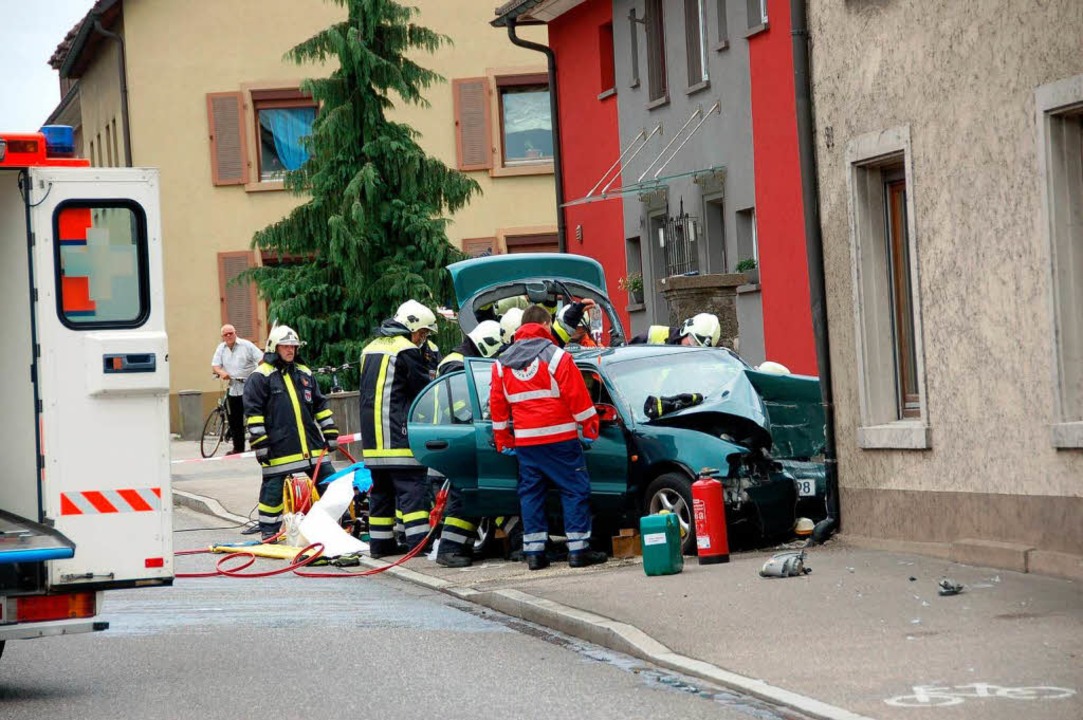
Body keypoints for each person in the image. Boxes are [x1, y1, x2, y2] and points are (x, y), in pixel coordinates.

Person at [489, 305, 608, 571]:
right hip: (561, 440)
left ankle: (535, 554)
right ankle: (578, 551)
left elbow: (497, 407)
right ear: (544, 325)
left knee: (531, 494)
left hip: (527, 444)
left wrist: (504, 440)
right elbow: (577, 397)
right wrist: (590, 427)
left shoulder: (502, 363)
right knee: (574, 489)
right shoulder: (557, 357)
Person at [242, 325, 339, 541]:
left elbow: (320, 406)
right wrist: (261, 444)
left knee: (330, 484)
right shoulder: (260, 377)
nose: (290, 350)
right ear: (273, 348)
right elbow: (254, 413)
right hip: (278, 448)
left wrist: (330, 432)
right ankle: (268, 531)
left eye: (293, 346)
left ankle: (337, 525)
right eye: (285, 346)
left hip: (312, 447)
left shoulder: (304, 373)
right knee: (272, 491)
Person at [358, 300, 438, 558]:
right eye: (422, 333)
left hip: (373, 443)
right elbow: (422, 390)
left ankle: (380, 545)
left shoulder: (369, 349)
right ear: (411, 326)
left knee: (381, 493)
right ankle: (417, 544)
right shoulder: (406, 350)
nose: (422, 340)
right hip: (398, 437)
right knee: (413, 490)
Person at [432, 320, 503, 568]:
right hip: (458, 439)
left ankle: (518, 543)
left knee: (489, 492)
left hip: (465, 438)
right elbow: (460, 406)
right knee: (465, 497)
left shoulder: (464, 359)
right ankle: (449, 550)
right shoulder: (455, 364)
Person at [210, 324, 262, 454]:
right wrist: (222, 373)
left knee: (253, 417)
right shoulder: (221, 348)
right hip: (234, 388)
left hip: (249, 386)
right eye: (225, 334)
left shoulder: (246, 345)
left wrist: (259, 375)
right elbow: (215, 365)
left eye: (230, 333)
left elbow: (262, 359)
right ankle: (238, 448)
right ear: (222, 337)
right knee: (234, 420)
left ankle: (257, 444)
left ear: (235, 333)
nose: (228, 336)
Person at [629, 312, 722, 348]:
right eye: (692, 341)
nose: (692, 347)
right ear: (685, 331)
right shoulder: (652, 335)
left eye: (698, 346)